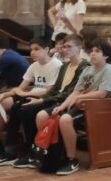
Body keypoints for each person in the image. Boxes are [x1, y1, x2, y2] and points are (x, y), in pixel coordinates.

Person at [31, 37, 111, 176]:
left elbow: (102, 93)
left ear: (106, 55)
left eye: (98, 51)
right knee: (42, 116)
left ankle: (72, 159)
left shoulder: (108, 70)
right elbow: (75, 91)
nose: (93, 54)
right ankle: (52, 155)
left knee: (65, 119)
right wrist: (62, 106)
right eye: (92, 51)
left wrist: (80, 97)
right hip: (78, 103)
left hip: (93, 108)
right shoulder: (87, 70)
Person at [12, 34, 89, 168]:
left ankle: (55, 157)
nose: (65, 49)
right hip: (57, 99)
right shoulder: (65, 66)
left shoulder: (84, 66)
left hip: (69, 102)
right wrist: (42, 99)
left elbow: (70, 92)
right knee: (25, 108)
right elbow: (56, 88)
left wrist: (41, 101)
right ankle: (43, 154)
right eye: (64, 47)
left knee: (37, 112)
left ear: (79, 48)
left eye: (69, 46)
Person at [0, 37, 61, 167]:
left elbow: (50, 90)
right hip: (30, 95)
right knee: (11, 105)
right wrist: (6, 94)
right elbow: (21, 87)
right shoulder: (34, 66)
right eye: (31, 49)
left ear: (47, 49)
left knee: (23, 110)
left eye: (36, 49)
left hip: (46, 98)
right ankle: (9, 149)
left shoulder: (56, 65)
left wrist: (26, 93)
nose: (32, 52)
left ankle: (30, 151)